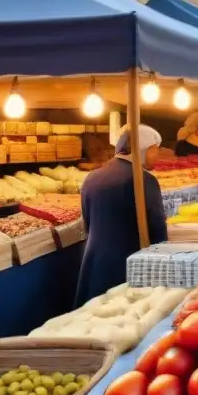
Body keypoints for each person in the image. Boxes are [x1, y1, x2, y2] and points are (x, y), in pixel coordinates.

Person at [75, 125, 169, 306]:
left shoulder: (92, 177)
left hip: (94, 265)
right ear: (143, 149)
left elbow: (86, 223)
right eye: (155, 150)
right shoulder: (144, 180)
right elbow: (157, 229)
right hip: (127, 268)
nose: (157, 156)